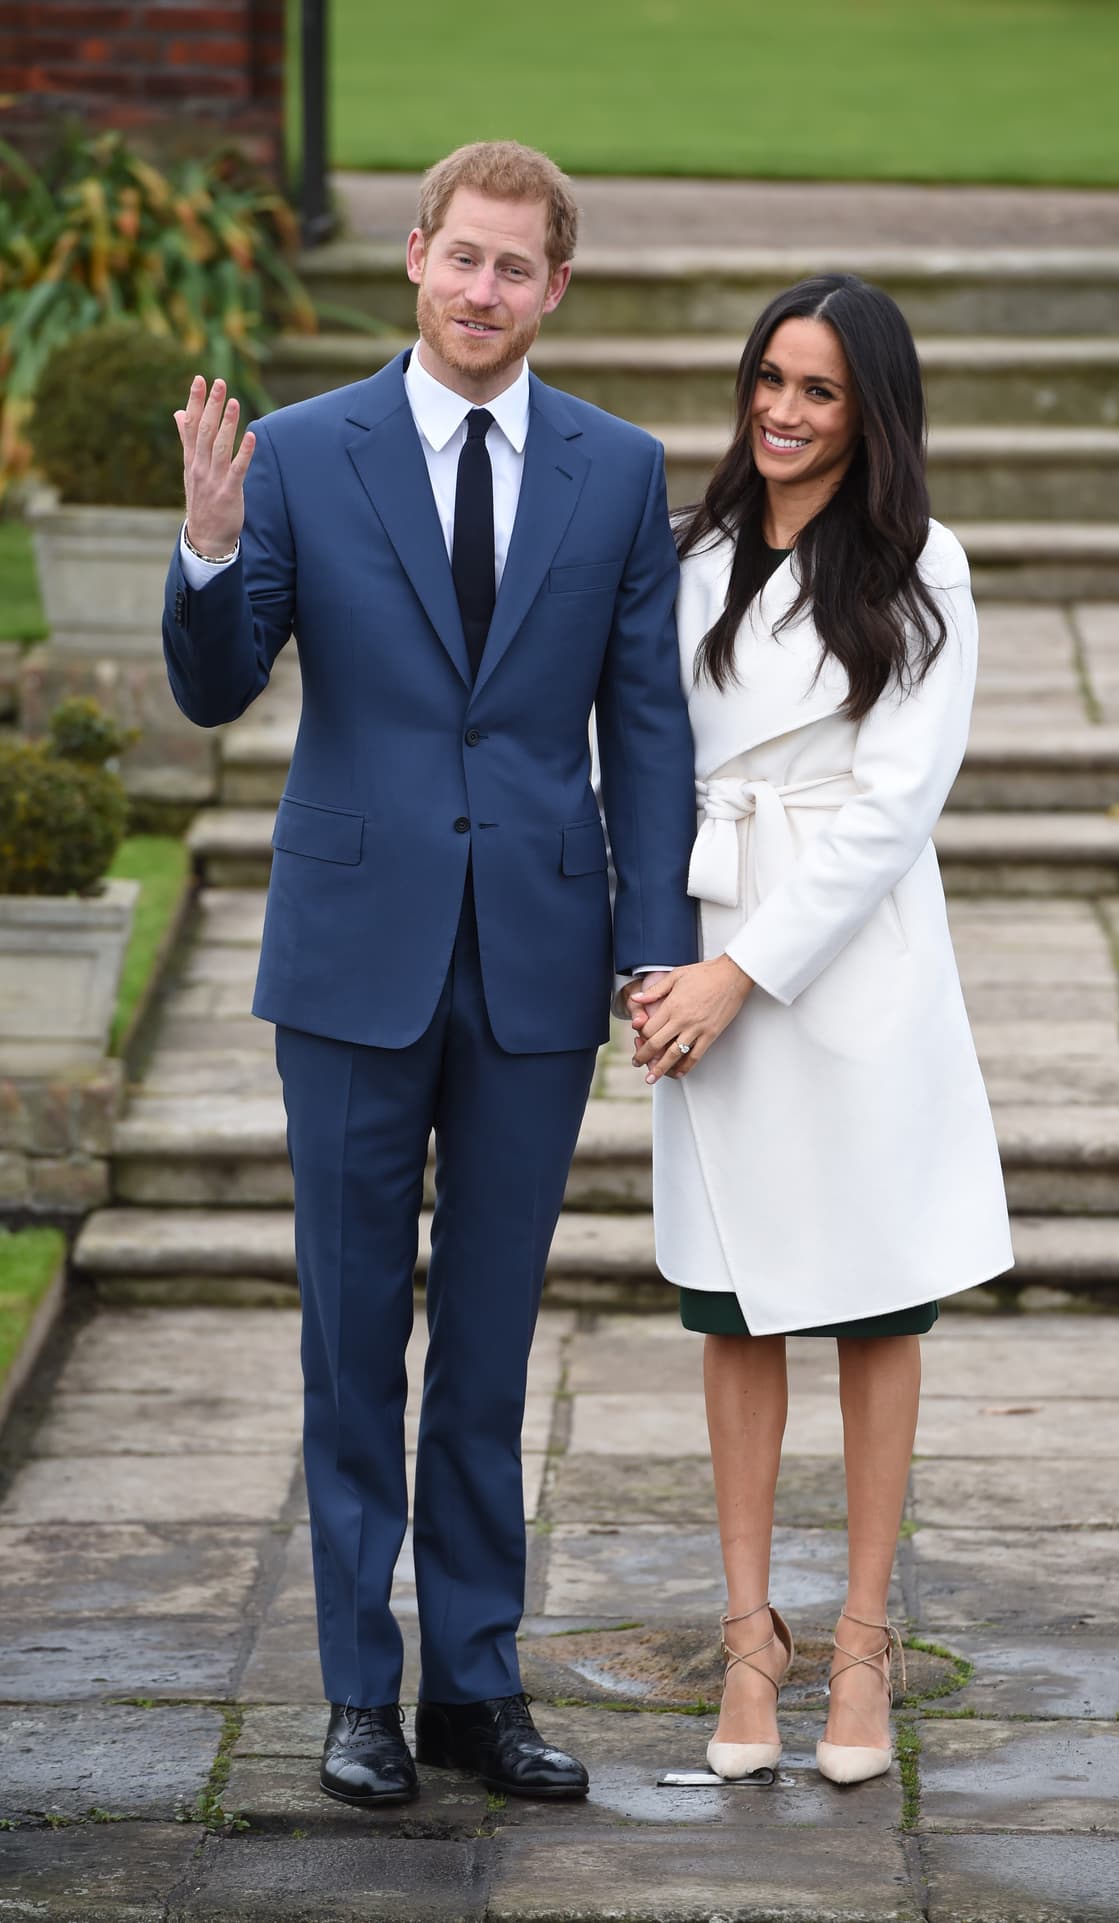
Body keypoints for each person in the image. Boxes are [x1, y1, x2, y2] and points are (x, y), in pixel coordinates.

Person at [163, 141, 697, 1807]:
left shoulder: (618, 472)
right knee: (346, 1339)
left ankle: (477, 1685)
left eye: (514, 268)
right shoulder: (306, 455)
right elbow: (215, 687)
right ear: (414, 259)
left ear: (555, 288)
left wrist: (658, 942)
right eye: (459, 259)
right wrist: (203, 542)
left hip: (537, 961)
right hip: (349, 964)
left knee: (485, 1344)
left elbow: (649, 730)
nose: (482, 291)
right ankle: (355, 1695)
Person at [629, 276, 1013, 1786]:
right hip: (700, 953)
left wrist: (744, 975)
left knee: (874, 1303)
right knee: (734, 1302)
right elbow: (636, 754)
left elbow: (889, 812)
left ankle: (861, 1642)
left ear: (875, 413)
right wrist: (656, 965)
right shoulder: (689, 555)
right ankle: (747, 1637)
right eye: (768, 380)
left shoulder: (926, 567)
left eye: (820, 391)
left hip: (848, 977)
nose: (782, 412)